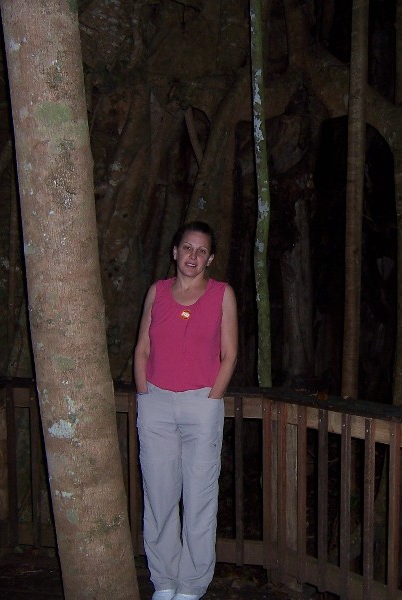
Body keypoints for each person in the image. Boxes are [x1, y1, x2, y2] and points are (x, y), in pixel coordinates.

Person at [133, 221, 238, 600]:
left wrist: (212, 400)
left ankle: (192, 585)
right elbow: (142, 348)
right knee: (159, 495)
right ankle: (164, 580)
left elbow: (230, 355)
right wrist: (145, 394)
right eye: (187, 248)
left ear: (209, 258)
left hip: (200, 405)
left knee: (199, 497)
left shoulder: (222, 295)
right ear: (175, 252)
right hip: (157, 404)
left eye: (201, 251)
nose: (193, 256)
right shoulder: (157, 292)